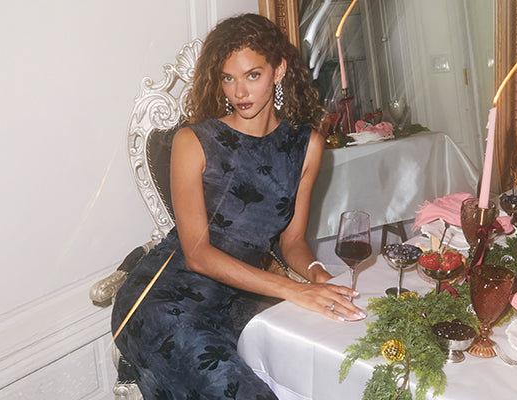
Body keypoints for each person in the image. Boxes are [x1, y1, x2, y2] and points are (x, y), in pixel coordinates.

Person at [112, 13, 366, 399]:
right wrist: (291, 291)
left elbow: (292, 240)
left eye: (252, 75)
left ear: (278, 70)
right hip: (164, 300)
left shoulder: (306, 145)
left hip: (237, 297)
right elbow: (196, 254)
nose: (239, 92)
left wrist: (317, 276)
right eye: (228, 78)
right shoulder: (193, 141)